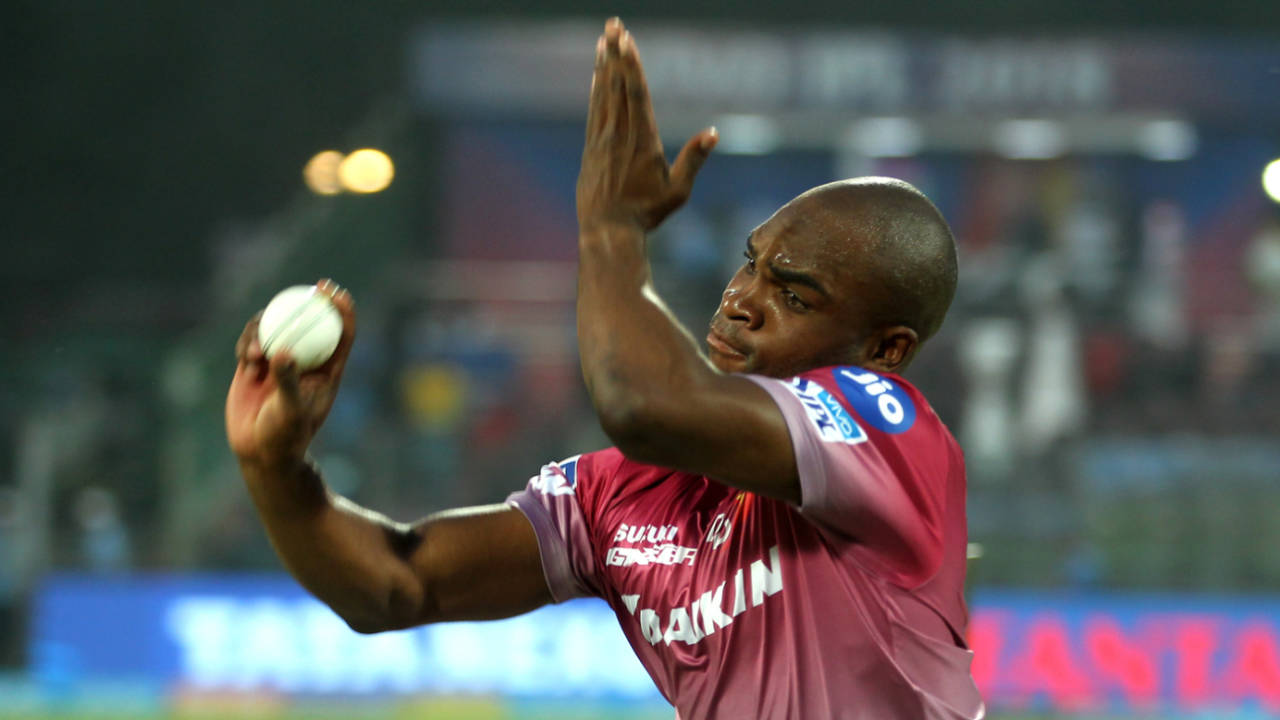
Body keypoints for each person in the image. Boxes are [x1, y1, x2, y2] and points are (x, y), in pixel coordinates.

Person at [225, 18, 982, 720]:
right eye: (750, 266)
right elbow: (398, 583)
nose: (741, 300)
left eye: (792, 294)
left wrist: (612, 231)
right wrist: (275, 465)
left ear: (884, 349)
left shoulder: (891, 435)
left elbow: (643, 405)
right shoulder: (620, 496)